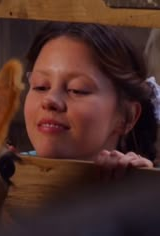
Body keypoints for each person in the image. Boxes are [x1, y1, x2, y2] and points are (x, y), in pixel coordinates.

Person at [20, 22, 159, 176]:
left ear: (127, 117)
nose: (49, 100)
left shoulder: (142, 192)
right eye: (40, 86)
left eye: (77, 90)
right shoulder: (2, 174)